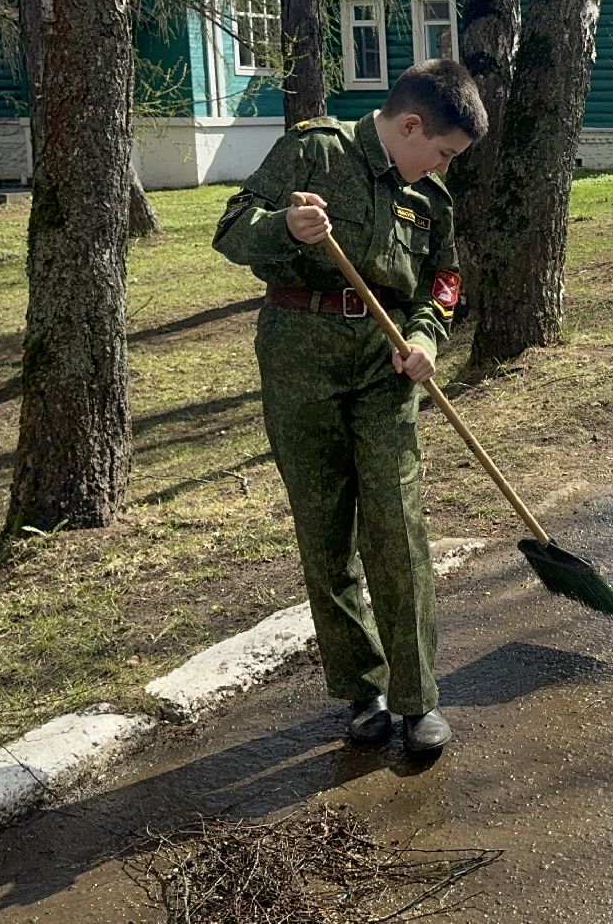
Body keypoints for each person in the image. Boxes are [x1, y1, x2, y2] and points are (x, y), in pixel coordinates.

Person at [212, 60, 486, 753]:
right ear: (410, 124)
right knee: (325, 533)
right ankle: (360, 689)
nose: (443, 168)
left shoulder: (431, 202)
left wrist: (426, 335)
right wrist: (286, 227)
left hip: (383, 372)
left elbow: (445, 282)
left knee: (396, 529)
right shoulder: (316, 151)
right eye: (444, 153)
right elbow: (232, 228)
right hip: (299, 366)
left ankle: (417, 698)